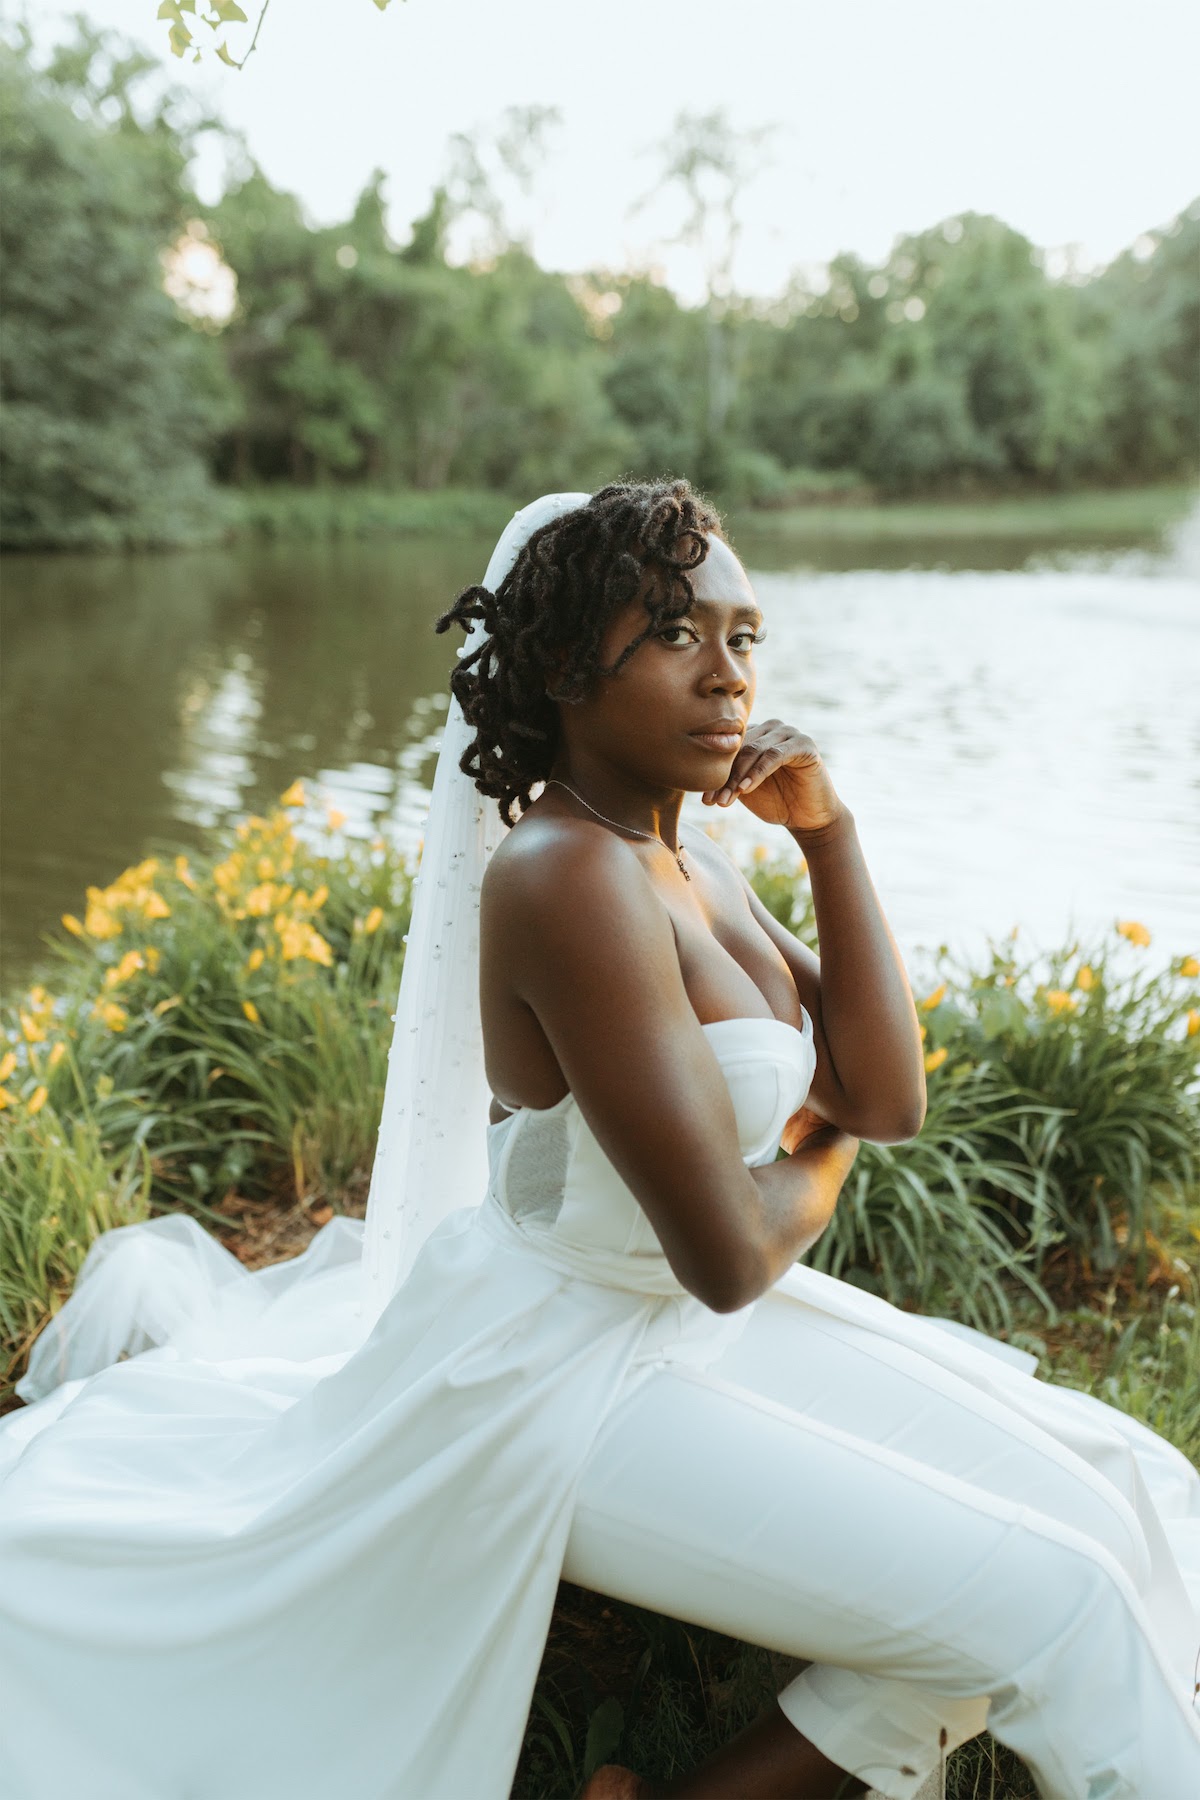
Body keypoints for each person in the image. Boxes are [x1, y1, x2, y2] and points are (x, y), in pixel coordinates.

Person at [0, 481, 1196, 1800]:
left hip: (686, 1341)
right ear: (567, 664)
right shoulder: (564, 873)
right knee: (1069, 1602)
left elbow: (893, 1096)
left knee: (1103, 1512)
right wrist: (823, 1124)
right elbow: (734, 1250)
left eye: (747, 637)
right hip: (561, 1385)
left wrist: (833, 835)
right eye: (680, 634)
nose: (728, 673)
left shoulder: (699, 867)